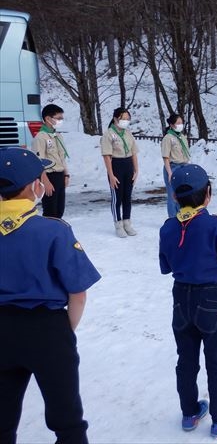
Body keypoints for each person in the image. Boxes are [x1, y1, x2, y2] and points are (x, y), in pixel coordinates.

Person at [0, 148, 101, 444]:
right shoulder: (53, 230)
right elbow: (78, 293)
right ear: (34, 187)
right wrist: (61, 332)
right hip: (47, 329)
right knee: (67, 420)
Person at [159, 164, 217, 438]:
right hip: (211, 296)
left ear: (174, 197)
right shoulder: (215, 224)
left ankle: (189, 413)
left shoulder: (168, 227)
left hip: (180, 297)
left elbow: (166, 266)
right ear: (208, 194)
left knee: (186, 360)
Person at [100, 107, 139, 238]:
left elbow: (134, 152)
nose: (126, 121)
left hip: (128, 165)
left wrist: (136, 170)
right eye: (124, 118)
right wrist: (111, 175)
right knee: (117, 197)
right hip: (116, 165)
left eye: (128, 119)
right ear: (116, 118)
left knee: (127, 196)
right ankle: (118, 224)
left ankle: (127, 222)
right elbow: (107, 156)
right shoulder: (109, 134)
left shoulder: (128, 133)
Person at [31, 104, 70, 218]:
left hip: (60, 175)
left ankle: (57, 234)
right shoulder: (40, 137)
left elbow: (62, 157)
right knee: (50, 211)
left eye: (61, 118)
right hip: (49, 176)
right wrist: (45, 181)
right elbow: (39, 162)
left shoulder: (57, 135)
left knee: (59, 210)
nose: (60, 121)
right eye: (58, 118)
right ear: (48, 118)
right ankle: (49, 234)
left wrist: (66, 175)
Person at [161, 113, 190, 218]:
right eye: (178, 123)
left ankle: (181, 216)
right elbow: (166, 157)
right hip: (173, 167)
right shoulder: (168, 138)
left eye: (182, 123)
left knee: (182, 194)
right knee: (172, 195)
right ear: (172, 125)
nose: (181, 125)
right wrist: (169, 173)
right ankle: (173, 218)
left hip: (184, 167)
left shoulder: (182, 137)